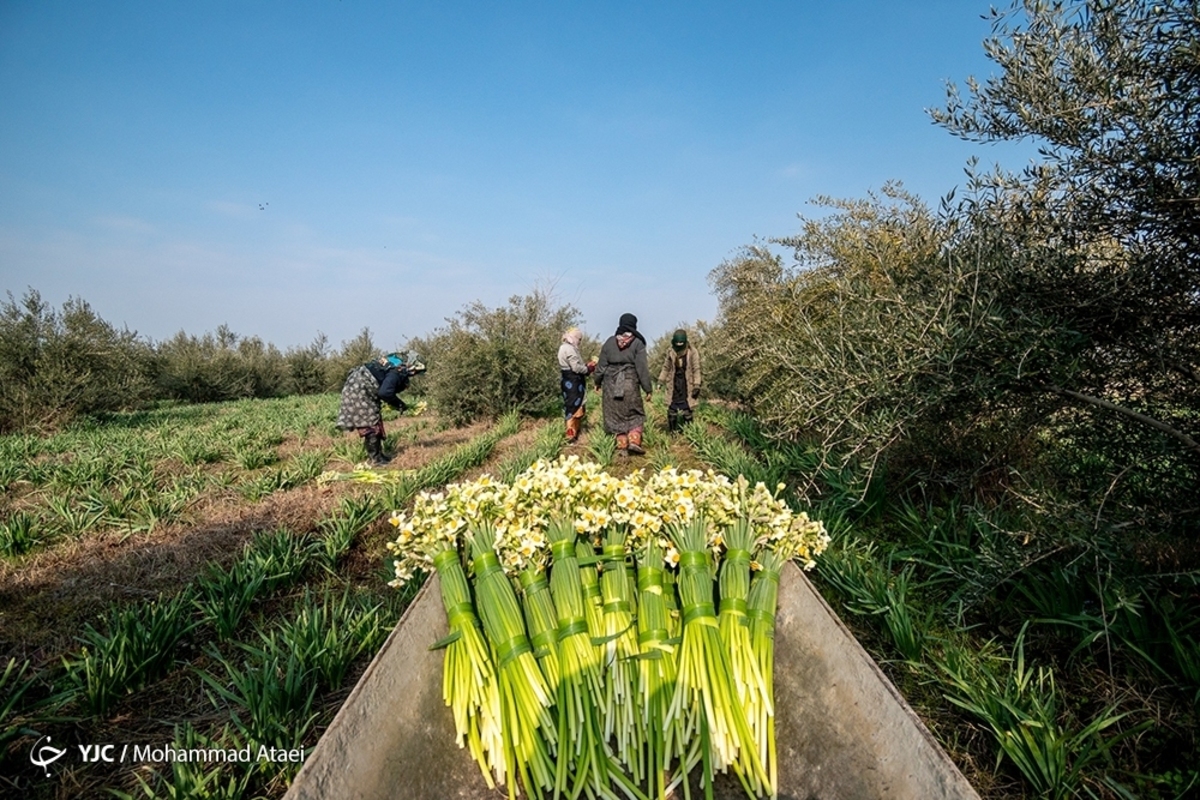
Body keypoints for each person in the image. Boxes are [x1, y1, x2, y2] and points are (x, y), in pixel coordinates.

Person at [336, 352, 422, 465]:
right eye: (416, 371)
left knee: (374, 419)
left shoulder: (395, 367)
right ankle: (375, 459)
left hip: (360, 386)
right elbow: (385, 392)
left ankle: (379, 455)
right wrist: (399, 404)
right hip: (359, 389)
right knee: (370, 422)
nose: (414, 374)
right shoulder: (396, 372)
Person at [594, 313, 652, 456]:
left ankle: (622, 444)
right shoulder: (637, 343)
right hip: (630, 382)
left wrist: (597, 381)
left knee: (614, 415)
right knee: (634, 413)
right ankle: (634, 441)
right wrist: (647, 388)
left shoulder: (609, 342)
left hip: (611, 384)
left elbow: (601, 366)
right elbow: (642, 368)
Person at [658, 328, 702, 432]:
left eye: (681, 343)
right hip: (674, 383)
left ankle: (689, 431)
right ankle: (672, 432)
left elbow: (696, 369)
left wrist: (697, 384)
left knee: (687, 409)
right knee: (672, 409)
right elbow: (666, 368)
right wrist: (660, 381)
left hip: (687, 383)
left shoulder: (692, 352)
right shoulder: (670, 352)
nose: (679, 345)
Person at [558, 327, 595, 443]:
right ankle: (571, 435)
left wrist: (585, 365)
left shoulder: (563, 347)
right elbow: (575, 368)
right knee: (575, 407)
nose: (579, 341)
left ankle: (572, 433)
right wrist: (589, 369)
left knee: (570, 406)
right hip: (574, 383)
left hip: (567, 381)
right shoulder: (570, 349)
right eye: (579, 339)